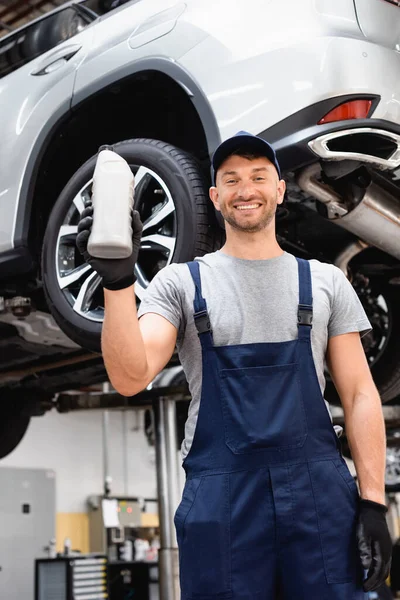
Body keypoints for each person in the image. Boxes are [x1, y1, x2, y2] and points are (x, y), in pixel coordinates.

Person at [77, 131, 392, 599]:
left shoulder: (326, 282)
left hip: (318, 500)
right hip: (223, 503)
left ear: (280, 189)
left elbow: (361, 395)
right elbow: (130, 376)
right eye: (232, 179)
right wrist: (118, 283)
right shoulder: (179, 284)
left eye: (259, 176)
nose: (246, 189)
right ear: (215, 196)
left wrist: (373, 502)